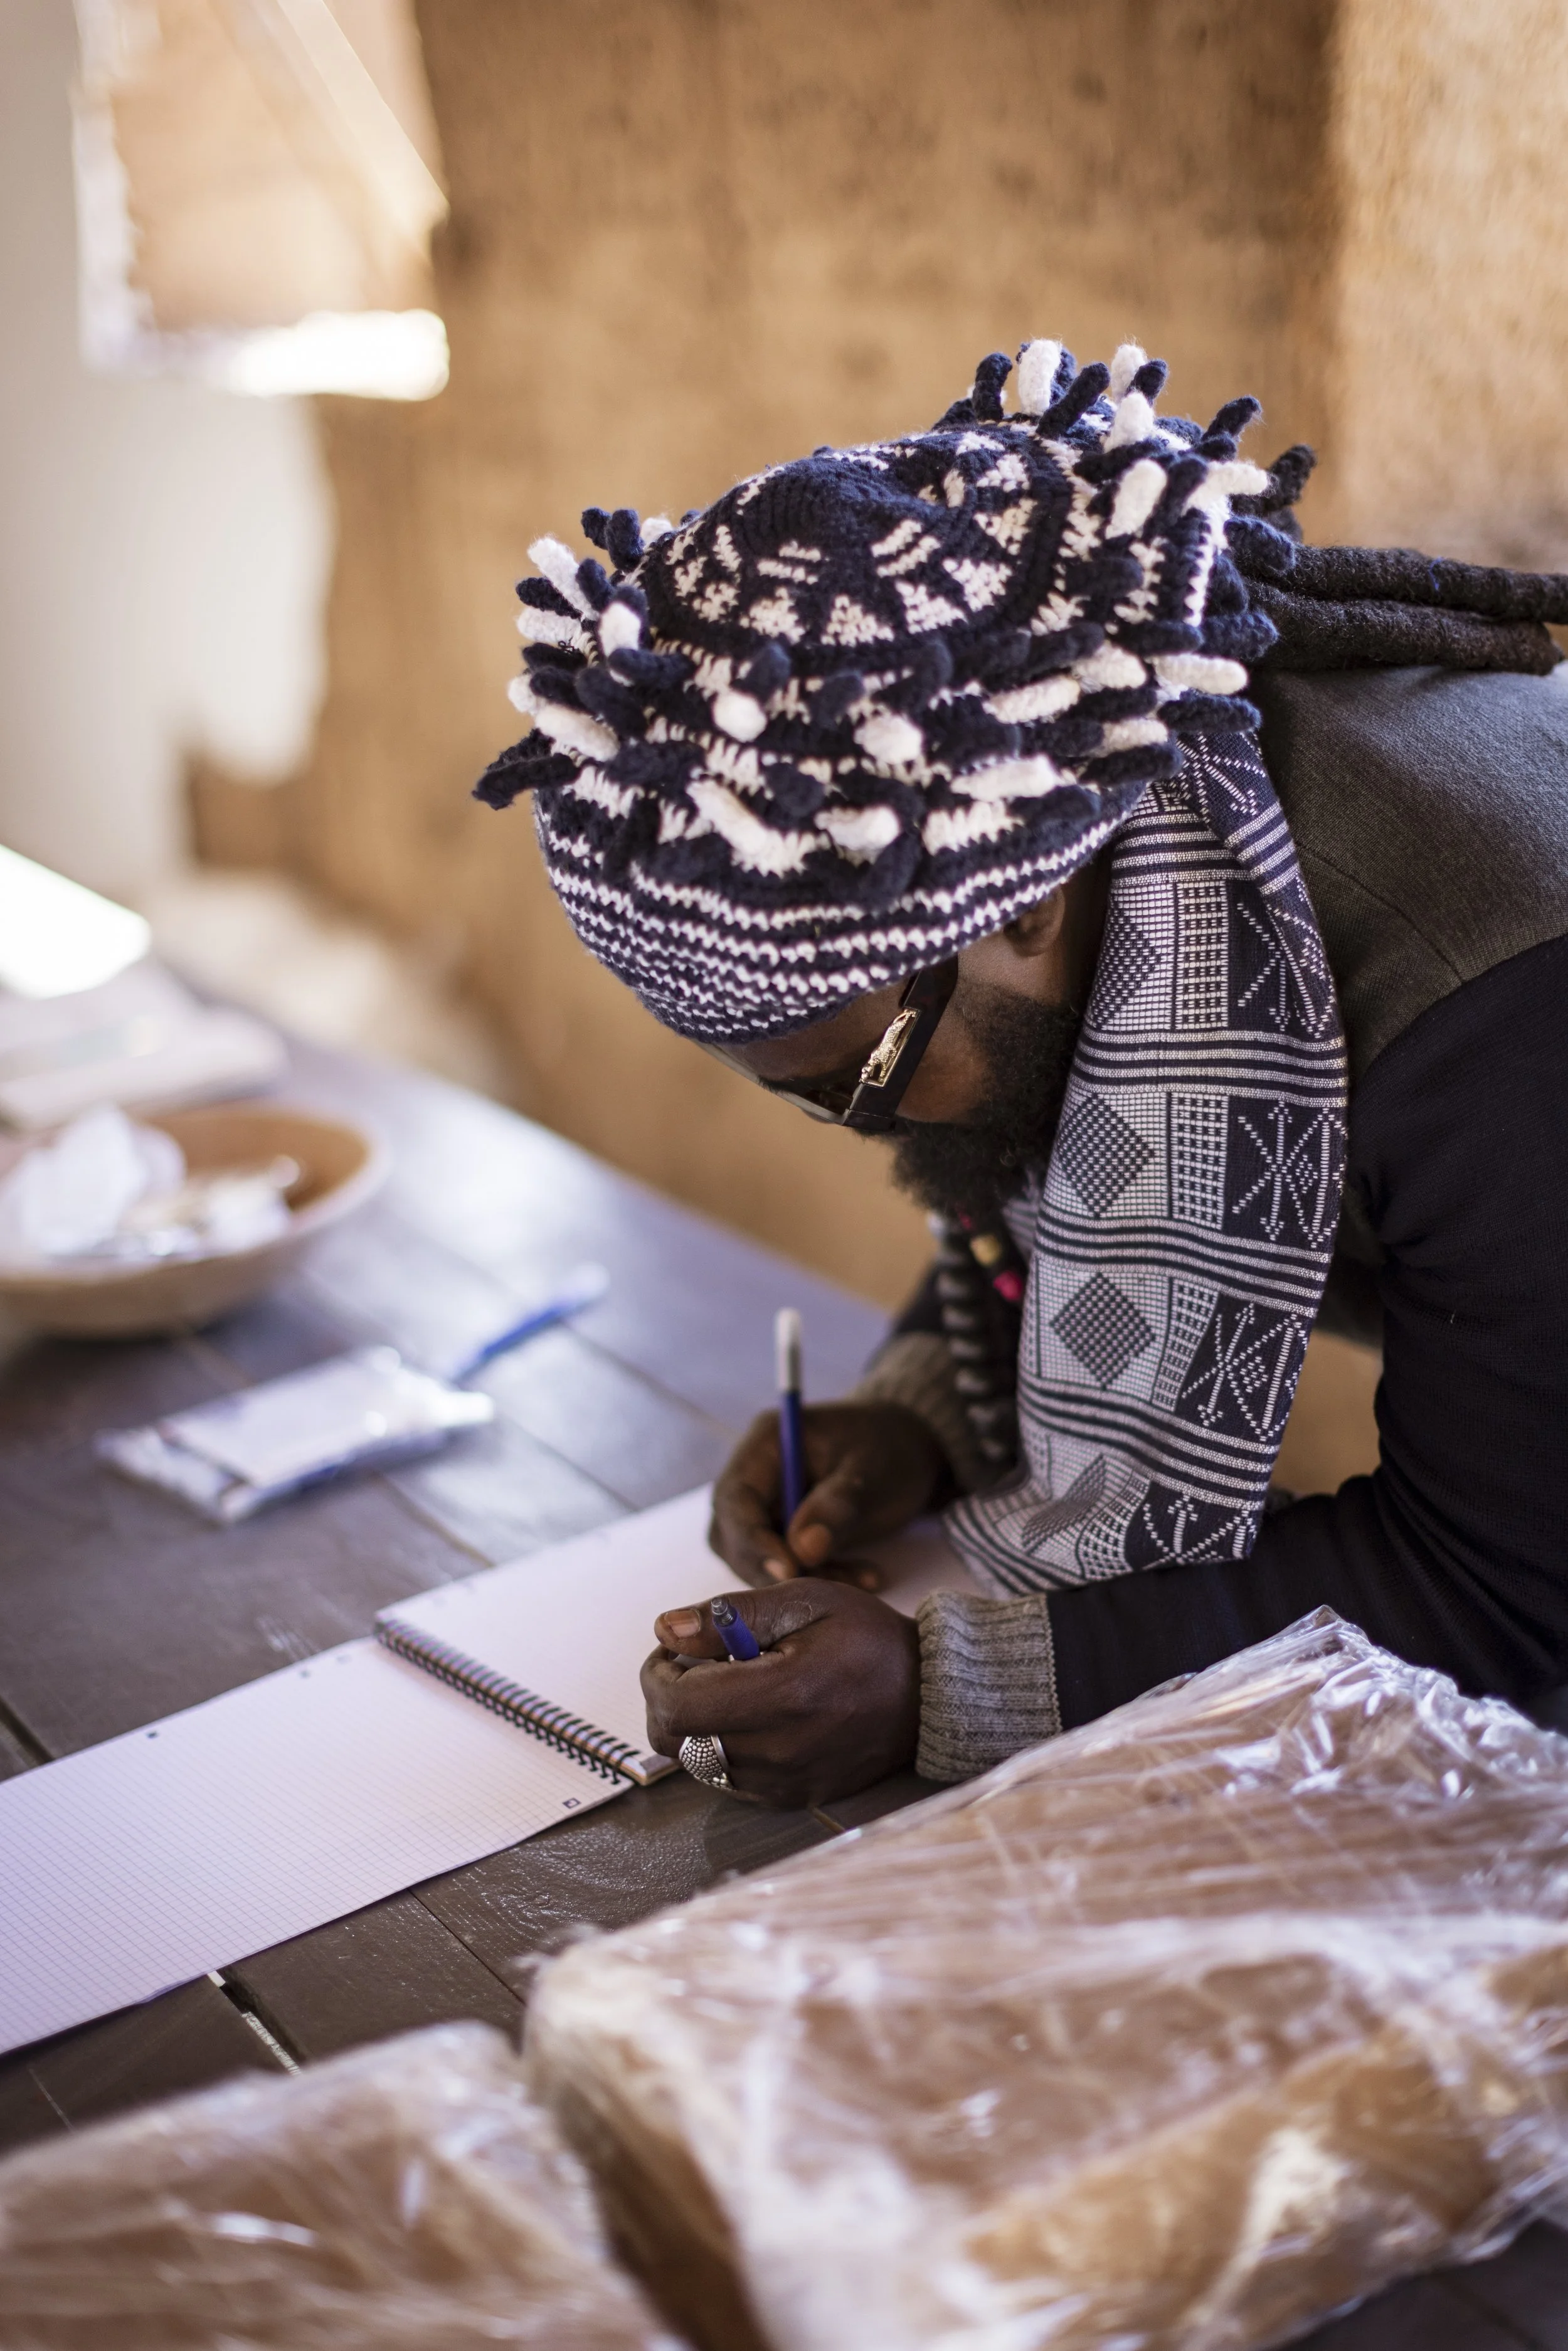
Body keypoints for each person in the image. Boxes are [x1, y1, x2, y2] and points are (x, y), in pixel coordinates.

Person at [475, 338, 1568, 1808]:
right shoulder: (1113, 809)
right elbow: (1040, 1161)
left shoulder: (1493, 1007)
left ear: (1021, 905)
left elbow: (1505, 1591)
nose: (851, 1126)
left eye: (854, 1072)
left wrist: (947, 1688)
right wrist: (928, 1402)